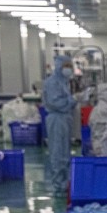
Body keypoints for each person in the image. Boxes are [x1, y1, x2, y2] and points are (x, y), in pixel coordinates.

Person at [43, 54, 78, 194]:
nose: (68, 69)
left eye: (70, 66)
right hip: (56, 119)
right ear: (58, 67)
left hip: (64, 119)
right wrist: (73, 100)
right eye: (66, 66)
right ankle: (58, 185)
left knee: (64, 151)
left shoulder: (63, 82)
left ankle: (64, 182)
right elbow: (55, 103)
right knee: (58, 152)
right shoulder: (52, 82)